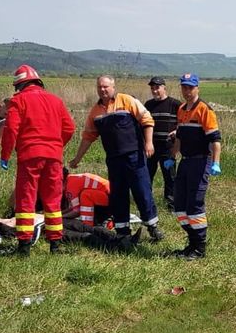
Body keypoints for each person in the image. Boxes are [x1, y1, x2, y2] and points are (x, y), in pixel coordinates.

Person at [68, 75, 164, 242]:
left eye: (105, 87)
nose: (102, 90)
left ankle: (153, 227)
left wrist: (149, 143)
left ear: (113, 87)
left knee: (142, 192)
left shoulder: (126, 101)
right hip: (114, 160)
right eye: (99, 87)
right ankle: (122, 232)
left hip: (134, 156)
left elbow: (147, 119)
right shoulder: (95, 112)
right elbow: (88, 136)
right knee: (118, 196)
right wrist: (77, 158)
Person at [0, 65, 76, 255]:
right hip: (54, 157)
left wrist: (5, 155)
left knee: (26, 200)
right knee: (52, 201)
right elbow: (70, 128)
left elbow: (11, 130)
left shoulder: (19, 100)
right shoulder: (56, 101)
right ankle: (55, 245)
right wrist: (56, 146)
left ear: (20, 85)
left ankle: (24, 247)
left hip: (29, 157)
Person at [166, 73, 221, 259]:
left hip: (200, 161)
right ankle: (191, 243)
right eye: (184, 87)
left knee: (195, 204)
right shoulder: (181, 109)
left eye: (190, 87)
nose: (187, 91)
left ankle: (200, 248)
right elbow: (179, 137)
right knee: (179, 204)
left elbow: (215, 140)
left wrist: (216, 163)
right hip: (186, 161)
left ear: (197, 88)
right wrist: (172, 156)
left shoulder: (205, 110)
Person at [144, 76, 180, 208]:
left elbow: (184, 122)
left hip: (168, 148)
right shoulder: (148, 105)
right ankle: (147, 202)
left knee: (170, 177)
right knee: (147, 175)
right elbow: (143, 123)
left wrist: (177, 131)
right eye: (152, 88)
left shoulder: (175, 104)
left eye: (157, 88)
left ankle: (171, 203)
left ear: (164, 88)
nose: (154, 91)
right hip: (151, 147)